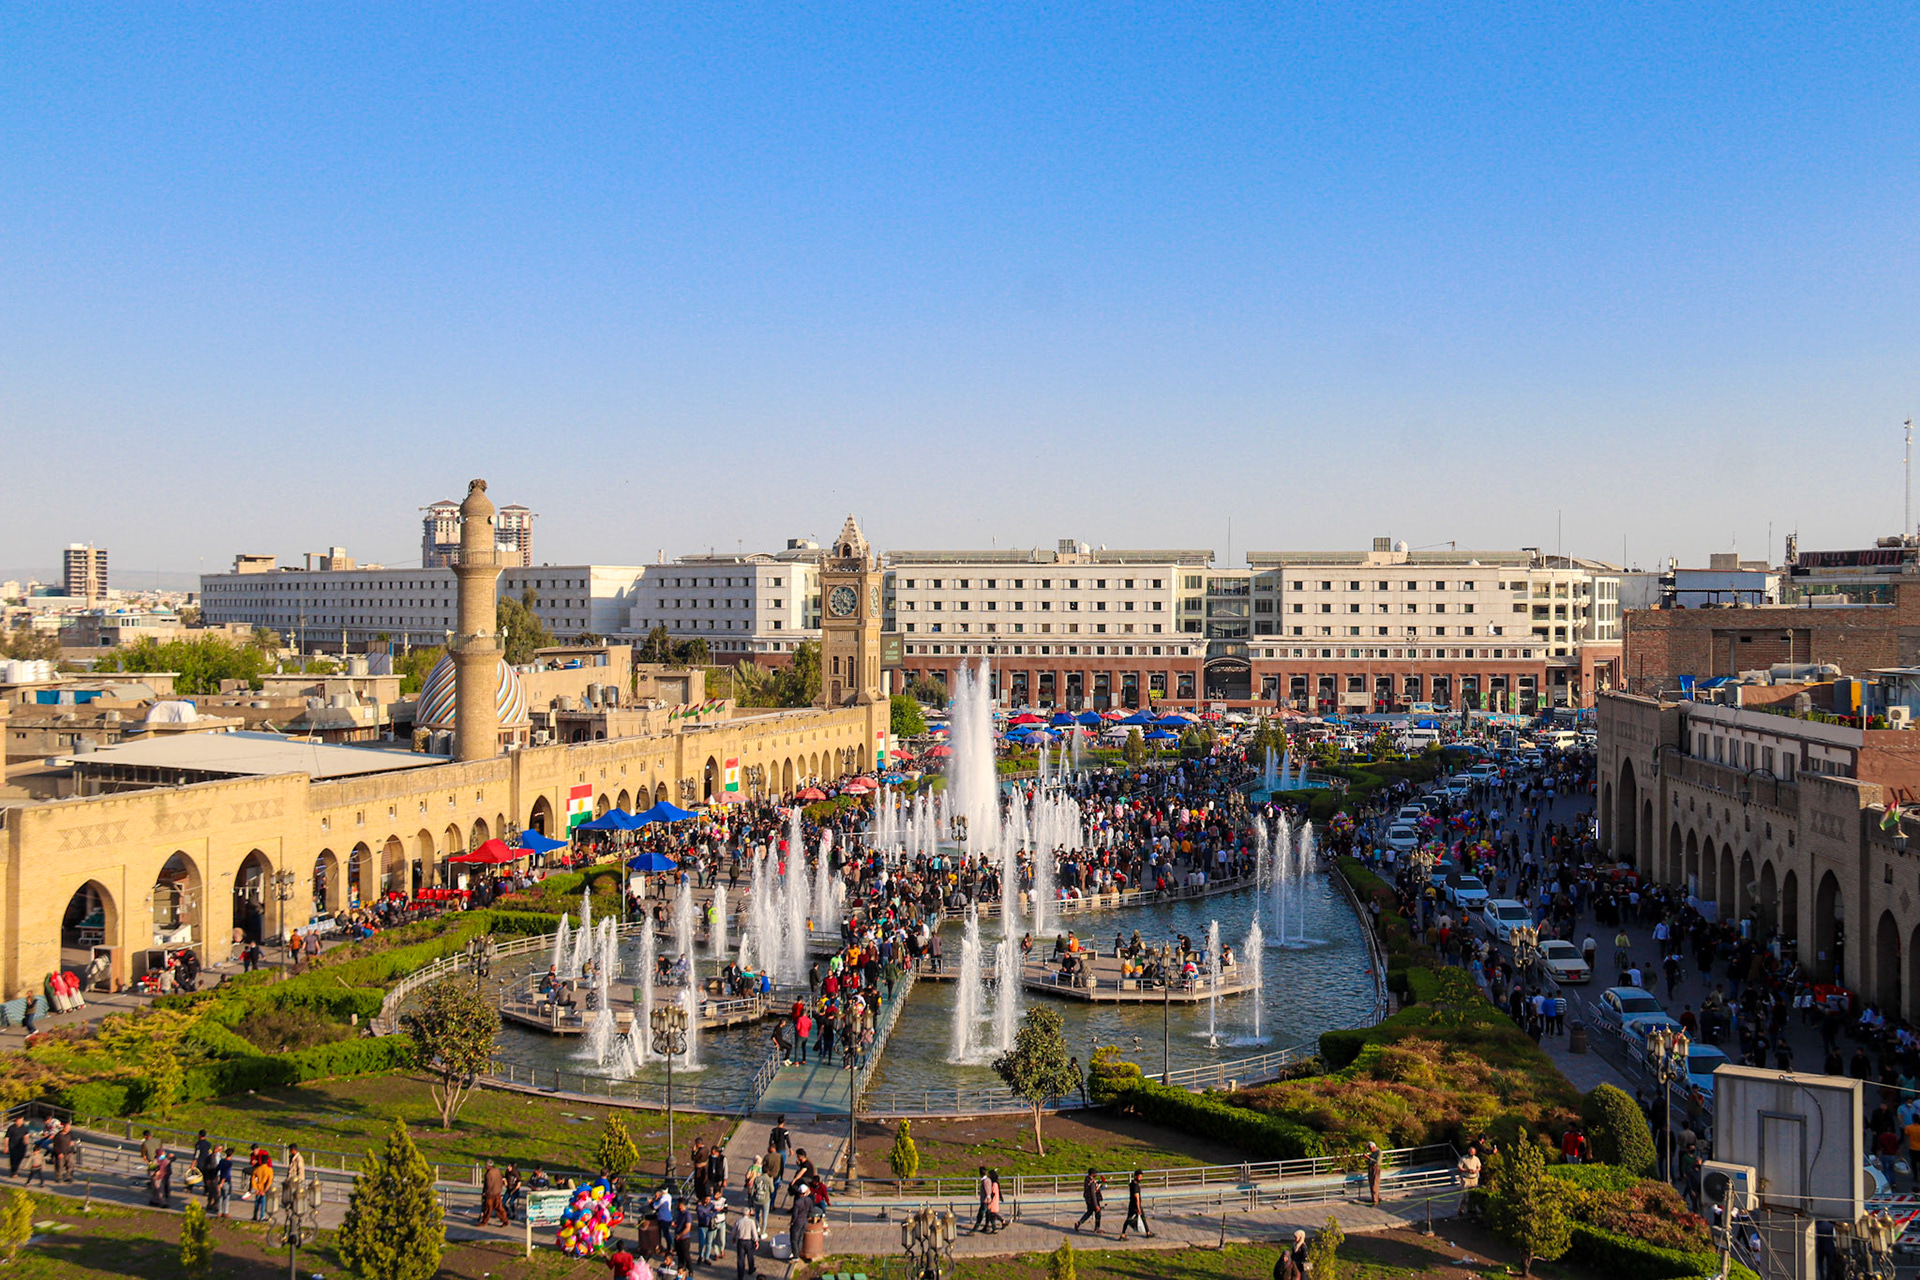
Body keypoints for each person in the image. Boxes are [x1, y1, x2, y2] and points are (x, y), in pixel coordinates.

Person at [1120, 1169, 1152, 1238]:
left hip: (1131, 1204)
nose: (1141, 1178)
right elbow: (1137, 1198)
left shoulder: (1132, 1184)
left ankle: (1123, 1234)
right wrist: (1139, 1208)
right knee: (1142, 1218)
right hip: (1135, 1205)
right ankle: (1148, 1233)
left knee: (1128, 1219)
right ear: (1135, 1176)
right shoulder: (1136, 1186)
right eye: (1140, 1177)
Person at [733, 1202, 761, 1278]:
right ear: (748, 1214)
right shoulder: (751, 1222)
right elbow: (754, 1232)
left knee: (740, 1258)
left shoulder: (738, 1222)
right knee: (750, 1256)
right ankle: (751, 1269)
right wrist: (756, 1241)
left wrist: (734, 1238)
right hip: (749, 1241)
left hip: (740, 1241)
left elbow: (733, 1232)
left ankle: (740, 1274)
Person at [478, 1158, 508, 1226]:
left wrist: (485, 1193)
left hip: (490, 1194)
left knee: (488, 1208)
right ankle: (505, 1220)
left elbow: (488, 1185)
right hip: (497, 1193)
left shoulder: (488, 1174)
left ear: (488, 1166)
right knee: (499, 1208)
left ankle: (484, 1222)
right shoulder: (497, 1171)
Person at [1075, 1167, 1105, 1233]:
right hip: (1093, 1200)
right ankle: (1097, 1228)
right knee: (1098, 1213)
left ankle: (1079, 1223)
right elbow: (1093, 1194)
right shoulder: (1092, 1182)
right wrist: (1096, 1205)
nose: (1096, 1174)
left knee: (1089, 1212)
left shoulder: (1087, 1179)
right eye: (1095, 1173)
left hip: (1087, 1199)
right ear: (1092, 1174)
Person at [250, 1149, 274, 1220]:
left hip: (258, 1188)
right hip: (264, 1189)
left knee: (257, 1203)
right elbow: (270, 1181)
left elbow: (253, 1179)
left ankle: (255, 1216)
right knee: (263, 1203)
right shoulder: (269, 1170)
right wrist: (265, 1189)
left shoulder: (257, 1169)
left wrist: (255, 1188)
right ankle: (262, 1216)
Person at [1457, 1147, 1482, 1214]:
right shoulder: (1464, 1158)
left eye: (1472, 1152)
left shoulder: (1476, 1159)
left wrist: (1476, 1171)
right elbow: (1459, 1167)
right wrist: (1467, 1170)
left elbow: (1479, 1167)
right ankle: (1461, 1209)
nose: (1471, 1154)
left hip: (1474, 1179)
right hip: (1466, 1179)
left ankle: (1471, 1208)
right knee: (1464, 1195)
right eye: (1470, 1152)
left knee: (1472, 1195)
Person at [1366, 1141, 1382, 1205]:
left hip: (1376, 1168)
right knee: (1371, 1183)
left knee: (1375, 1184)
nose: (1370, 1150)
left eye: (1370, 1149)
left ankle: (1376, 1200)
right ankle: (1374, 1198)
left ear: (1373, 1147)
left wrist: (1369, 1158)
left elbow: (1377, 1162)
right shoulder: (1373, 1152)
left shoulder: (1379, 1152)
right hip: (1371, 1167)